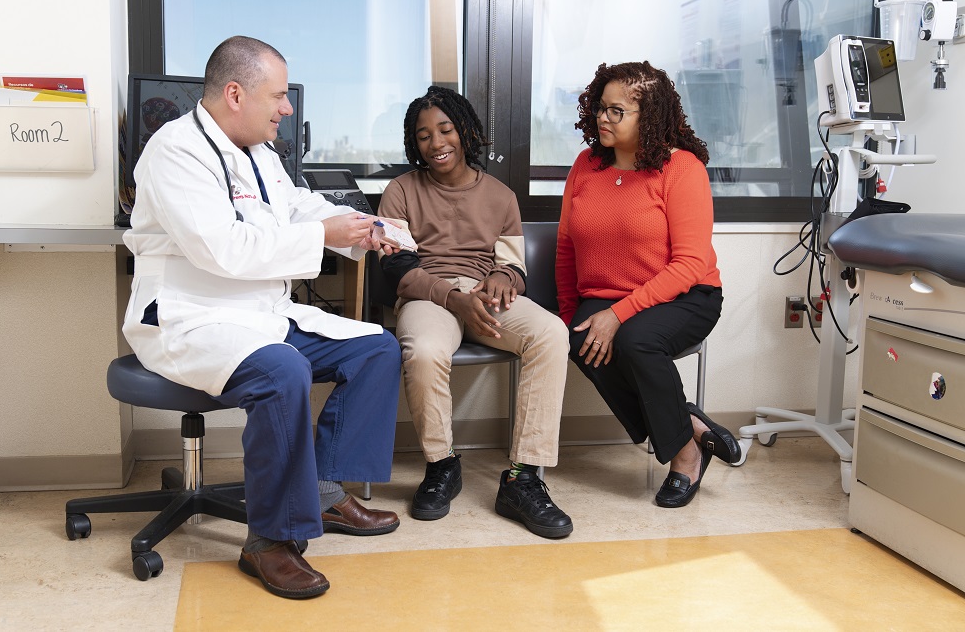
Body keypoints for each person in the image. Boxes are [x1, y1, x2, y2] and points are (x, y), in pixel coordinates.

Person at [122, 35, 402, 599]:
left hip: (260, 314)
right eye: (278, 96)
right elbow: (221, 249)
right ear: (235, 94)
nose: (287, 108)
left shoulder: (260, 153)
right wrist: (320, 235)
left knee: (377, 348)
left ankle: (322, 490)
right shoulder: (175, 152)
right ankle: (270, 540)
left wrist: (363, 229)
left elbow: (298, 206)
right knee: (283, 371)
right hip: (189, 317)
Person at [377, 86, 573, 538]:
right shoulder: (400, 191)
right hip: (428, 296)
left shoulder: (501, 196)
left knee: (550, 333)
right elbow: (396, 269)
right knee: (424, 351)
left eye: (445, 129)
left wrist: (506, 277)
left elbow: (514, 265)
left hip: (484, 295)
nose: (436, 142)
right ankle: (441, 466)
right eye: (423, 135)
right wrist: (453, 298)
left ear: (465, 131)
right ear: (414, 143)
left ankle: (523, 478)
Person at [557, 61, 741, 509]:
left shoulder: (681, 168)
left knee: (636, 340)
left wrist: (618, 315)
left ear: (650, 116)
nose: (603, 118)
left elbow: (690, 263)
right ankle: (687, 423)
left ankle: (685, 456)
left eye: (617, 111)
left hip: (685, 295)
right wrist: (567, 316)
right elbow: (565, 247)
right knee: (580, 338)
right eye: (600, 108)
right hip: (606, 295)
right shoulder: (586, 165)